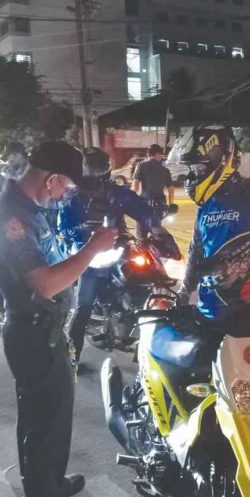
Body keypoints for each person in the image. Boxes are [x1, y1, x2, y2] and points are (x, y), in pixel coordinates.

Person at [0, 141, 116, 497]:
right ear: (52, 179)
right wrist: (92, 250)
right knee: (49, 427)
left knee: (41, 421)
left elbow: (53, 262)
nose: (67, 194)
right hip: (35, 334)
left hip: (44, 331)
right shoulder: (12, 219)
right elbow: (43, 284)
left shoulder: (31, 212)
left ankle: (46, 488)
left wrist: (82, 250)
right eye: (67, 187)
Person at [176, 124, 250, 338]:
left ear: (222, 161)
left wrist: (231, 267)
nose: (194, 175)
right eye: (192, 169)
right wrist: (184, 291)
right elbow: (195, 251)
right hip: (207, 310)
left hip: (247, 311)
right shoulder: (205, 203)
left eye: (199, 167)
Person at [61, 147, 158, 362]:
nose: (95, 182)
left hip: (119, 248)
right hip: (89, 254)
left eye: (100, 175)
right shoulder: (72, 196)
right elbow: (63, 223)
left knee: (148, 280)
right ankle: (71, 357)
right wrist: (76, 234)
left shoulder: (116, 192)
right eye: (91, 176)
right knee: (83, 305)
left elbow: (139, 207)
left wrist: (156, 225)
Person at [130, 144, 174, 239]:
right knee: (156, 231)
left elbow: (135, 186)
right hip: (159, 206)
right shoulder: (165, 170)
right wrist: (171, 205)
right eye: (161, 154)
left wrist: (130, 199)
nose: (162, 157)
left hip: (144, 204)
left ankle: (143, 250)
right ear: (158, 154)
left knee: (141, 234)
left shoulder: (141, 166)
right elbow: (171, 190)